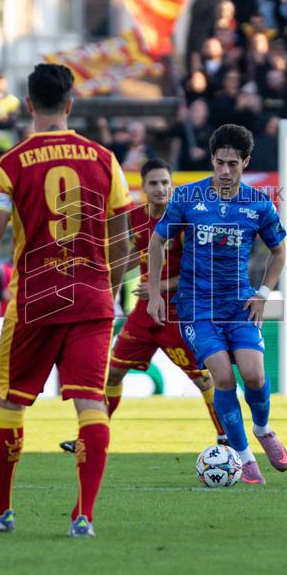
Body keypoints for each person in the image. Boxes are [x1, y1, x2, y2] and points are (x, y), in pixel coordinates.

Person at [0, 63, 131, 538]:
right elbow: (122, 239)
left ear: (28, 105)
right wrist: (109, 294)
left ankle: (2, 509)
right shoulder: (104, 160)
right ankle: (84, 516)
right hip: (93, 298)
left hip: (36, 298)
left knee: (11, 404)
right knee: (91, 403)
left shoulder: (8, 166)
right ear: (70, 104)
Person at [146, 124, 287, 485]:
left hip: (240, 303)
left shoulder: (258, 204)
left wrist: (263, 293)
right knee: (223, 377)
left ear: (246, 163)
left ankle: (263, 429)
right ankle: (243, 459)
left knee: (254, 374)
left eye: (233, 164)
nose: (225, 171)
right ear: (211, 160)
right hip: (197, 307)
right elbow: (157, 242)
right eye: (219, 162)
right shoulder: (186, 198)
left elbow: (279, 252)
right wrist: (152, 294)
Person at [59, 158, 227, 454]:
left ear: (172, 186)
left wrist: (159, 287)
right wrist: (93, 280)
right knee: (112, 374)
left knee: (203, 378)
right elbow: (125, 260)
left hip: (178, 314)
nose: (161, 188)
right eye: (154, 183)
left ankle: (226, 436)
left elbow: (202, 271)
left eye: (165, 182)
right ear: (143, 187)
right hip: (143, 315)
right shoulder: (136, 218)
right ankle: (93, 439)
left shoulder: (186, 221)